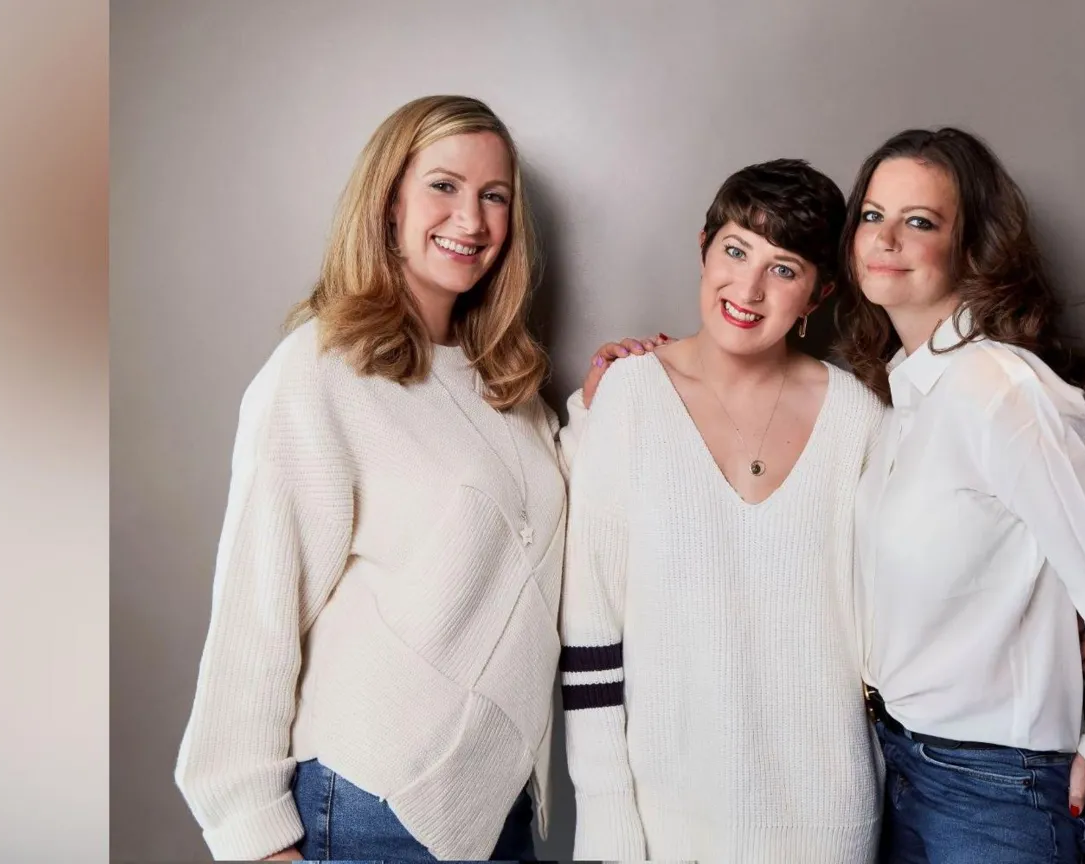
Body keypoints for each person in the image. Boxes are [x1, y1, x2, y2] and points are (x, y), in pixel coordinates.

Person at [174, 95, 562, 862]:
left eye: (494, 197)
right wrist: (253, 836)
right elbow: (258, 606)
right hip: (372, 804)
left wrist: (630, 391)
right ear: (389, 205)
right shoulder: (321, 370)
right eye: (444, 187)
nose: (473, 220)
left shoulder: (510, 390)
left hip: (497, 808)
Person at [839, 127, 1085, 863]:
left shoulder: (1003, 391)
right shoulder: (901, 400)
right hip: (897, 767)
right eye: (872, 215)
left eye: (920, 222)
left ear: (973, 251)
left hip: (996, 793)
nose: (886, 237)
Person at [560, 158, 887, 863]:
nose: (749, 287)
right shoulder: (631, 394)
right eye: (736, 251)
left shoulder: (860, 420)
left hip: (828, 820)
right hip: (665, 824)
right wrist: (607, 822)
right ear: (703, 245)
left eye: (785, 268)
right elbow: (590, 625)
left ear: (819, 294)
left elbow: (902, 609)